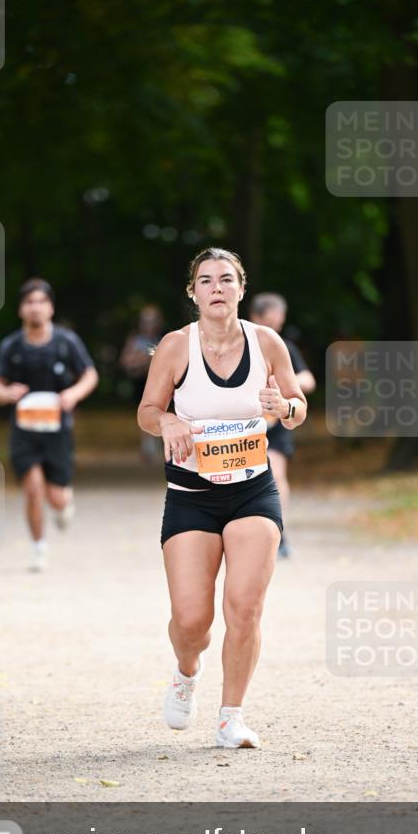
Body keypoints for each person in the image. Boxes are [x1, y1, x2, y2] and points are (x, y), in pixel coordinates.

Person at [138, 248, 307, 749]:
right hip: (191, 496)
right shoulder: (175, 346)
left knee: (245, 608)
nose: (217, 287)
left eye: (226, 279)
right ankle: (187, 671)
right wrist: (166, 420)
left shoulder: (266, 342)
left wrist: (285, 405)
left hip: (253, 492)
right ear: (193, 292)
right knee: (192, 621)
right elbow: (147, 411)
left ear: (241, 288)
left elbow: (297, 409)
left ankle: (231, 717)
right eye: (206, 280)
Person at [0, 278, 99, 571]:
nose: (35, 308)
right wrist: (7, 393)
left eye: (41, 302)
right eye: (29, 303)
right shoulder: (11, 346)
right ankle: (39, 548)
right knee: (33, 488)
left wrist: (73, 394)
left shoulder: (66, 342)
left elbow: (90, 375)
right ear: (21, 309)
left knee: (56, 497)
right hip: (24, 432)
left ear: (50, 308)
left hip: (57, 431)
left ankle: (64, 504)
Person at [249, 293, 316, 559]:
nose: (280, 319)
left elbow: (308, 380)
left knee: (276, 476)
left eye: (281, 314)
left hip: (276, 424)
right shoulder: (239, 344)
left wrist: (284, 388)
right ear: (257, 316)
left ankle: (278, 533)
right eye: (275, 313)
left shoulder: (284, 346)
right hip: (244, 425)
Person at [119, 305, 165, 462]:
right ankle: (148, 446)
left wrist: (143, 358)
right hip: (141, 382)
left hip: (163, 383)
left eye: (152, 320)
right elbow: (126, 361)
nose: (148, 324)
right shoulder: (135, 338)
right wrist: (146, 359)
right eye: (145, 320)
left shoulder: (166, 338)